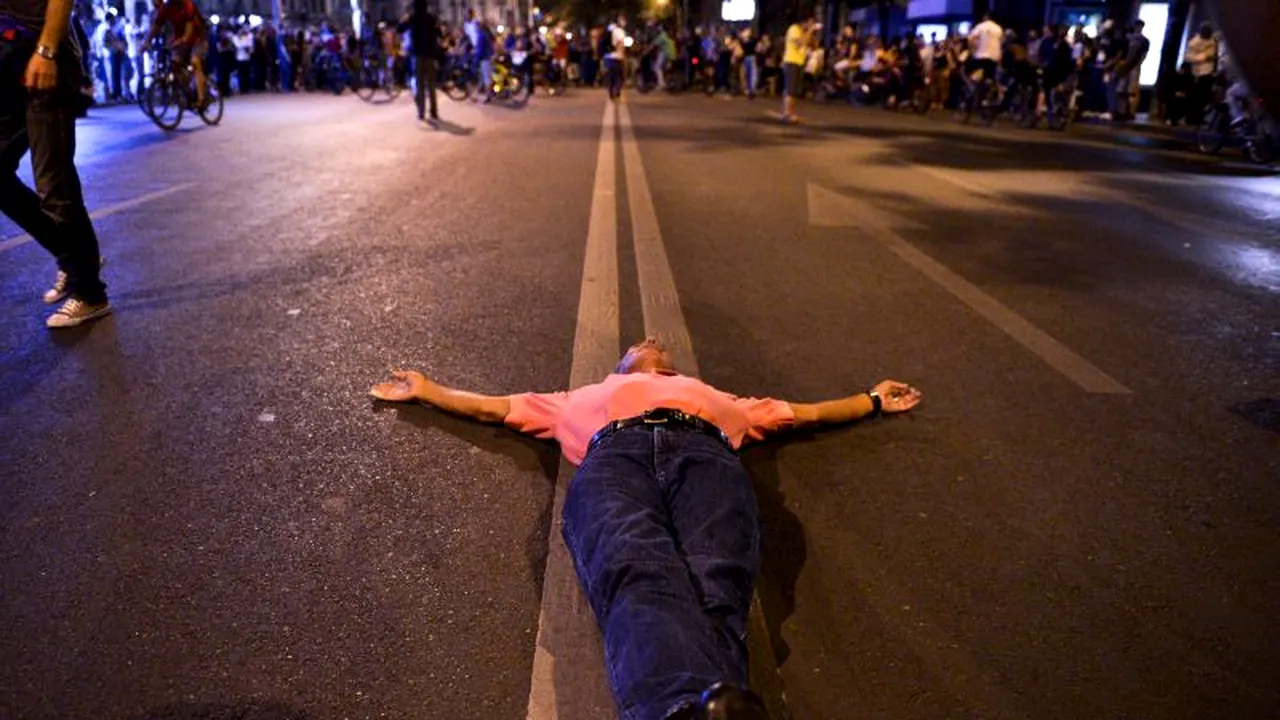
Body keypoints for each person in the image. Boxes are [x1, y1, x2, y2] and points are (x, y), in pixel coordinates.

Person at [370, 338, 923, 720]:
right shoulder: (575, 400)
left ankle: (682, 708)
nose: (652, 344)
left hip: (706, 454)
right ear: (622, 365)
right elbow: (492, 408)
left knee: (718, 582)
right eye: (640, 345)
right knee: (636, 569)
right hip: (616, 456)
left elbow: (807, 413)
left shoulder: (721, 399)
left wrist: (872, 399)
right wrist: (428, 389)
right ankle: (699, 707)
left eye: (660, 349)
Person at [1, 0, 111, 327]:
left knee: (53, 182)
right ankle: (75, 258)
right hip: (8, 60)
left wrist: (47, 50)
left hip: (44, 54)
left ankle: (91, 294)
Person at [146, 0, 208, 107]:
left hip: (198, 39)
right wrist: (146, 42)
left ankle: (202, 99)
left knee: (195, 62)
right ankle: (187, 92)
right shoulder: (166, 7)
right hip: (181, 41)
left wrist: (182, 39)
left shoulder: (188, 4)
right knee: (175, 64)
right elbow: (156, 26)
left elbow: (189, 28)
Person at [398, 0, 442, 125]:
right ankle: (434, 111)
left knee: (420, 85)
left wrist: (404, 19)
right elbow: (439, 34)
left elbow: (399, 29)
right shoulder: (431, 19)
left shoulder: (412, 18)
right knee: (431, 85)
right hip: (430, 56)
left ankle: (421, 112)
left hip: (417, 56)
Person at [780, 11, 816, 123]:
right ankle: (786, 114)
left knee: (795, 90)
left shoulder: (803, 31)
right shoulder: (794, 29)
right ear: (804, 22)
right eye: (809, 23)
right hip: (791, 61)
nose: (811, 25)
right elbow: (799, 43)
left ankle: (791, 113)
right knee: (790, 89)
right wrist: (809, 31)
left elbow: (813, 45)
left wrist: (812, 34)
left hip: (799, 62)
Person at [1183, 23, 1218, 125]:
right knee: (1194, 98)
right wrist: (1205, 57)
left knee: (1204, 98)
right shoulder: (1194, 42)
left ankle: (1199, 117)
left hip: (1209, 73)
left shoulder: (1213, 41)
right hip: (1198, 73)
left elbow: (1214, 54)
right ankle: (1190, 118)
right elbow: (1189, 57)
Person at [967, 11, 1002, 87]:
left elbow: (971, 38)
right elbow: (1001, 42)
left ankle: (976, 91)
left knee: (976, 77)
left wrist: (972, 50)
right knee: (990, 77)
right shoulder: (998, 28)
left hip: (980, 56)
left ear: (986, 17)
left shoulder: (980, 27)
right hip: (994, 57)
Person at [604, 14, 626, 100]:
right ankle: (617, 91)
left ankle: (611, 92)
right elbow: (621, 43)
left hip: (607, 56)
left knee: (611, 75)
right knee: (618, 75)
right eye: (622, 20)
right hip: (617, 56)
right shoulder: (620, 31)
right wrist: (622, 54)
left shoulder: (609, 30)